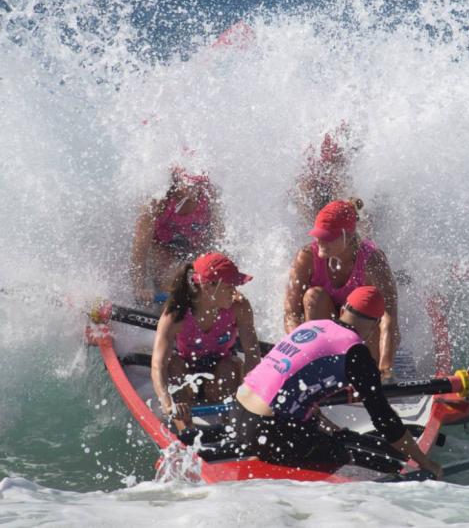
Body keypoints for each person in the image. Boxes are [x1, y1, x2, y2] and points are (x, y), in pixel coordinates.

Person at [231, 286, 443, 478]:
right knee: (366, 450)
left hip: (236, 415)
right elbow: (384, 420)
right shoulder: (355, 353)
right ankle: (270, 459)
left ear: (344, 310)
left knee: (333, 433)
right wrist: (424, 462)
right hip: (268, 432)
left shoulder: (313, 326)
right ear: (376, 324)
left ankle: (263, 452)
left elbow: (292, 386)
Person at [284, 199, 399, 378]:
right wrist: (301, 354)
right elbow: (291, 314)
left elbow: (389, 320)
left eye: (327, 236)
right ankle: (320, 366)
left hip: (362, 334)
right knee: (313, 296)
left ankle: (370, 368)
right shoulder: (306, 257)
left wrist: (385, 367)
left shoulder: (373, 261)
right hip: (324, 332)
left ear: (348, 235)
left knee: (367, 304)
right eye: (317, 234)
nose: (319, 241)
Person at [151, 252, 261, 431]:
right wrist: (167, 403)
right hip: (186, 377)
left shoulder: (240, 306)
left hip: (221, 376)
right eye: (229, 286)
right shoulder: (175, 315)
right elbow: (158, 365)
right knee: (172, 364)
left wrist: (248, 395)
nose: (235, 291)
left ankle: (233, 425)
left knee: (231, 366)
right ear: (208, 288)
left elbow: (252, 353)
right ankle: (185, 428)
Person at [130, 168, 224, 305]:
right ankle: (168, 314)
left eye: (198, 183)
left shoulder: (210, 195)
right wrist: (139, 288)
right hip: (164, 245)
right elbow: (140, 249)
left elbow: (220, 239)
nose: (195, 188)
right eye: (190, 183)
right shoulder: (158, 201)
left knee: (202, 285)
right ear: (177, 179)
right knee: (171, 283)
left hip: (198, 245)